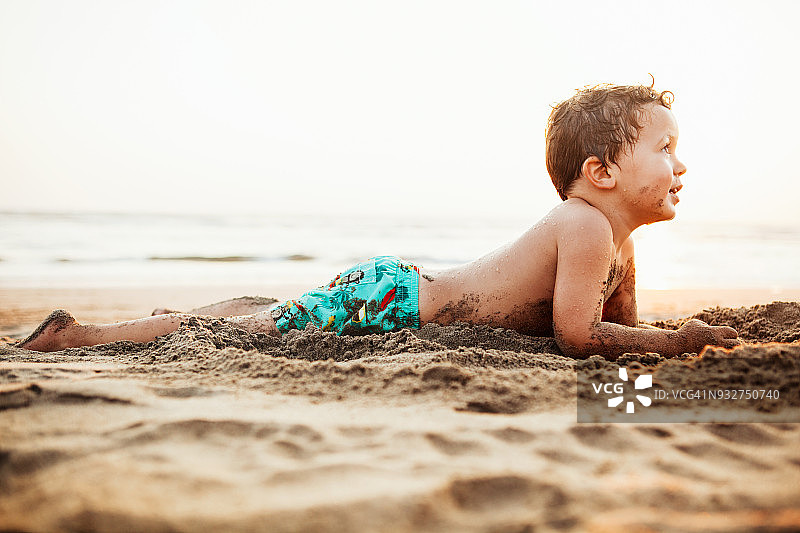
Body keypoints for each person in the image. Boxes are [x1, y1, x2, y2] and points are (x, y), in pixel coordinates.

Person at [18, 83, 740, 358]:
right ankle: (79, 334)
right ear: (600, 173)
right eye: (665, 147)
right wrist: (679, 342)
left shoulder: (619, 243)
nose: (681, 165)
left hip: (399, 290)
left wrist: (662, 340)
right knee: (252, 330)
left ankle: (173, 315)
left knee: (255, 316)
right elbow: (577, 335)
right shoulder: (583, 224)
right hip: (389, 302)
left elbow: (621, 328)